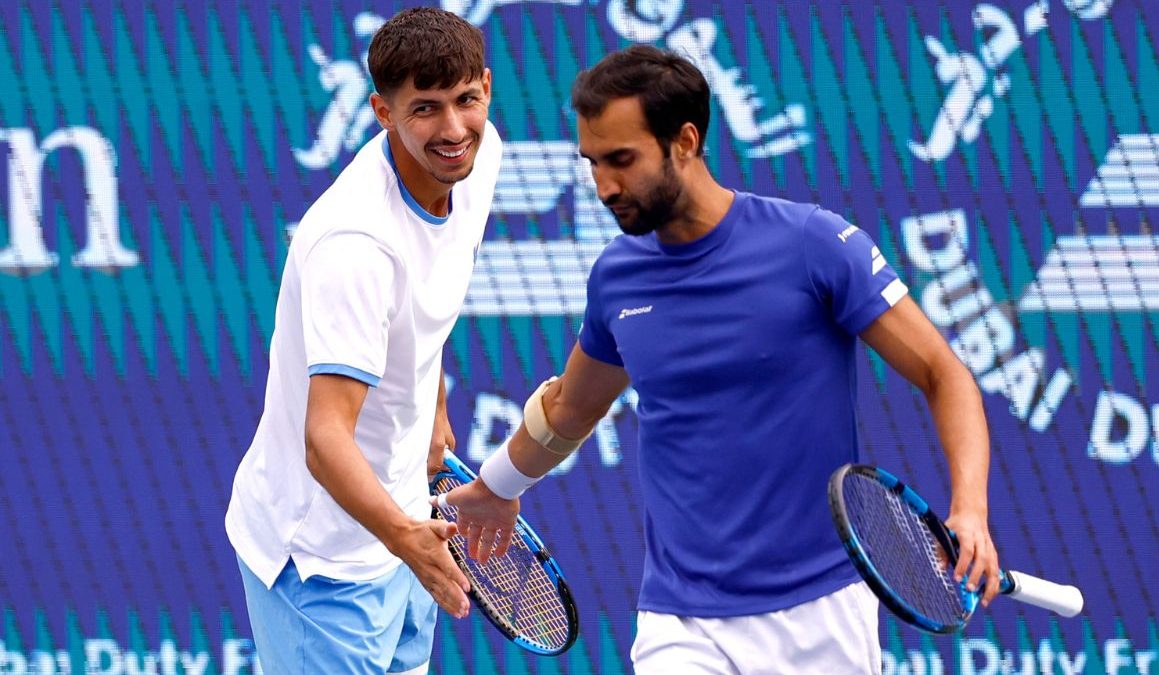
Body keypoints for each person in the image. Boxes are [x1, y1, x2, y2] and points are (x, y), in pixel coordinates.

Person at [446, 45, 1001, 673]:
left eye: (622, 160)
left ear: (685, 141)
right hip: (681, 621)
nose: (604, 187)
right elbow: (571, 409)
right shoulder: (618, 278)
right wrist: (496, 487)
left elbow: (943, 373)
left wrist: (971, 509)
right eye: (593, 163)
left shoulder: (816, 246)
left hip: (823, 613)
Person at [224, 8, 501, 674]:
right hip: (322, 560)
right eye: (424, 109)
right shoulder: (355, 245)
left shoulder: (479, 155)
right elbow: (325, 438)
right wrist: (409, 537)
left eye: (465, 101)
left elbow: (425, 302)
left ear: (486, 88)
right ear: (381, 110)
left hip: (403, 527)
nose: (453, 128)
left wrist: (430, 408)